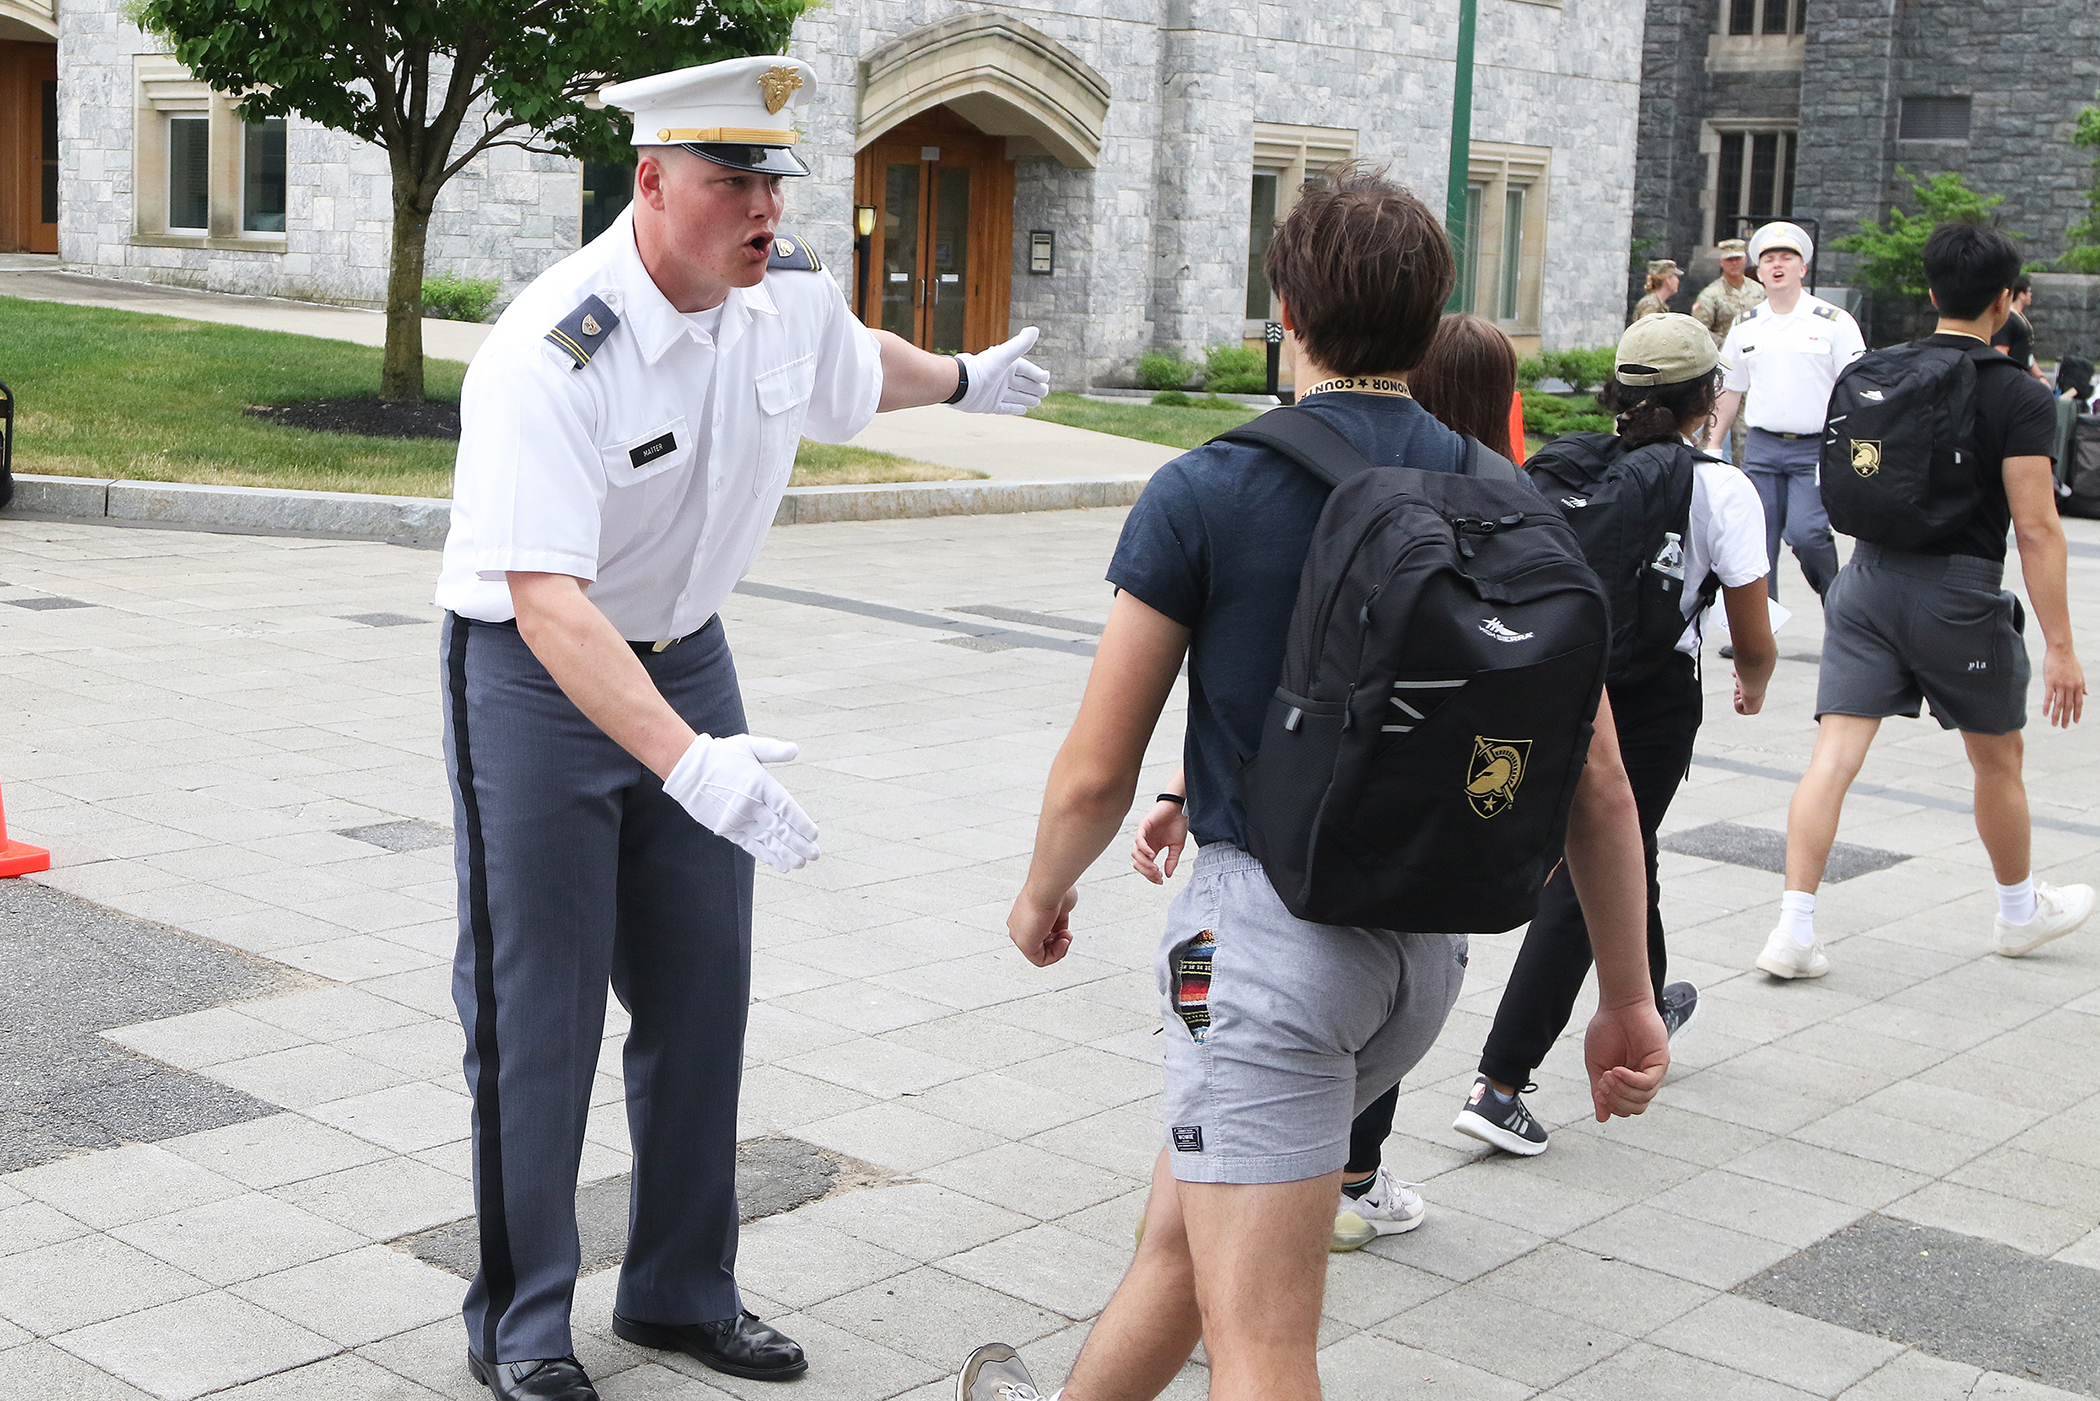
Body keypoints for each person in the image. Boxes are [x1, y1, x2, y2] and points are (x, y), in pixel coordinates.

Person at [957, 166, 1669, 1401]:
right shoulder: (1507, 499)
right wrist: (1627, 997)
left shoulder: (1211, 489)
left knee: (1264, 1345)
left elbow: (1096, 772)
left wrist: (1040, 893)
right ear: (1433, 310)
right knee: (1188, 1245)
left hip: (1257, 959)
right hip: (1420, 964)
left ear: (1283, 304)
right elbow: (1599, 782)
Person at [433, 56, 1051, 1401]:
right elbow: (546, 599)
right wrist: (684, 760)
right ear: (651, 183)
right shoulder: (556, 348)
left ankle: (679, 1291)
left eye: (775, 176)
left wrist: (960, 377)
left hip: (689, 654)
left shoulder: (779, 300)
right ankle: (521, 1319)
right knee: (537, 1014)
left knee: (703, 993)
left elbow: (851, 367)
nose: (766, 205)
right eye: (733, 179)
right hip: (538, 680)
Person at [1452, 314, 1776, 1156]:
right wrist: (1757, 678)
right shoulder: (1720, 488)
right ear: (1709, 398)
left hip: (1553, 685)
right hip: (1651, 700)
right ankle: (1500, 1081)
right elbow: (1751, 624)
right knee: (1586, 863)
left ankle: (1648, 995)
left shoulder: (1561, 469)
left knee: (1635, 848)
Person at [1758, 222, 2093, 981]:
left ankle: (1793, 927)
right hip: (1958, 591)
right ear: (2007, 301)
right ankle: (2017, 913)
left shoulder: (1880, 368)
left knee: (1834, 754)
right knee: (1997, 758)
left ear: (1933, 293)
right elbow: (2038, 530)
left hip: (1864, 580)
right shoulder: (2016, 392)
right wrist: (2063, 646)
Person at [1704, 221, 1864, 601]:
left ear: (1802, 268)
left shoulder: (1834, 323)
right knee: (1758, 541)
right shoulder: (1746, 326)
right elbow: (1730, 390)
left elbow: (1856, 390)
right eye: (1768, 259)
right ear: (1758, 271)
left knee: (1806, 534)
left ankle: (1837, 602)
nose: (1778, 265)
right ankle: (1762, 630)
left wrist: (1850, 449)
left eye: (1787, 258)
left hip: (1816, 449)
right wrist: (1712, 445)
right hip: (1762, 448)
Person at [1690, 238, 1765, 465]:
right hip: (1722, 369)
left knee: (1747, 427)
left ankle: (1746, 471)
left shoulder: (1759, 291)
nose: (1734, 264)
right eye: (1729, 260)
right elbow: (1699, 332)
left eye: (1738, 259)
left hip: (1754, 368)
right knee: (1714, 421)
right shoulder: (1710, 295)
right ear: (1722, 262)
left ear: (1745, 260)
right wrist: (1730, 343)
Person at [1991, 275, 2052, 385]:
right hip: (2012, 380)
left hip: (2023, 376)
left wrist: (2040, 376)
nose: (2031, 295)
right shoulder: (2008, 319)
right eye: (2028, 291)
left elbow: (2028, 353)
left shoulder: (2021, 318)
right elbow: (2001, 351)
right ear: (2021, 295)